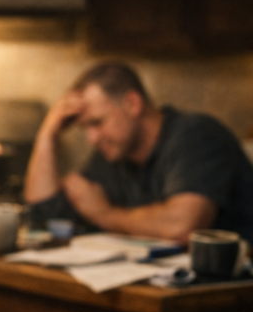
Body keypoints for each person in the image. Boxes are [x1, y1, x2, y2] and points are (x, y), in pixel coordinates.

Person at [24, 62, 253, 243]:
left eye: (97, 122)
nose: (91, 139)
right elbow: (45, 218)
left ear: (132, 104)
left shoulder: (197, 134)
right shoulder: (114, 153)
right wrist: (47, 135)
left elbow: (182, 227)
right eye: (85, 128)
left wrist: (104, 214)